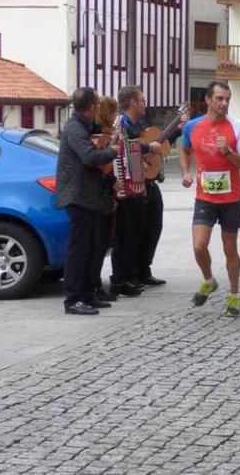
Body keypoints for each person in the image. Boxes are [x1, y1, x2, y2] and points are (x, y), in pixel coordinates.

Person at [180, 81, 240, 318]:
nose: (224, 104)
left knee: (230, 248)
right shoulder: (192, 126)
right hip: (205, 197)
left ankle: (234, 296)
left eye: (227, 99)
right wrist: (185, 172)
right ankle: (209, 279)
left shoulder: (237, 126)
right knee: (198, 246)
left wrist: (228, 153)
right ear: (208, 100)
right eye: (220, 99)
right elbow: (185, 149)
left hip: (231, 198)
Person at [56, 87, 120, 315]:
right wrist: (113, 151)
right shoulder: (75, 129)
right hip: (78, 196)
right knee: (79, 250)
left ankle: (86, 295)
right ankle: (73, 299)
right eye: (97, 105)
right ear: (92, 107)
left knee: (92, 248)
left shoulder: (84, 126)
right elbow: (90, 157)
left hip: (88, 197)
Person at [110, 86, 167, 297]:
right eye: (142, 100)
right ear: (133, 102)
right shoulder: (121, 123)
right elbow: (122, 146)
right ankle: (123, 277)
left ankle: (141, 270)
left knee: (150, 228)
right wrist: (146, 149)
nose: (145, 103)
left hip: (144, 183)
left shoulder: (140, 123)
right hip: (127, 186)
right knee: (128, 235)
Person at [90, 97, 121, 305]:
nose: (115, 117)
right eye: (113, 112)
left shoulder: (102, 131)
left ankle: (96, 285)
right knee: (97, 245)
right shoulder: (97, 133)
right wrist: (112, 181)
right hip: (98, 194)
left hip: (102, 192)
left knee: (101, 245)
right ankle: (94, 285)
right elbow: (101, 165)